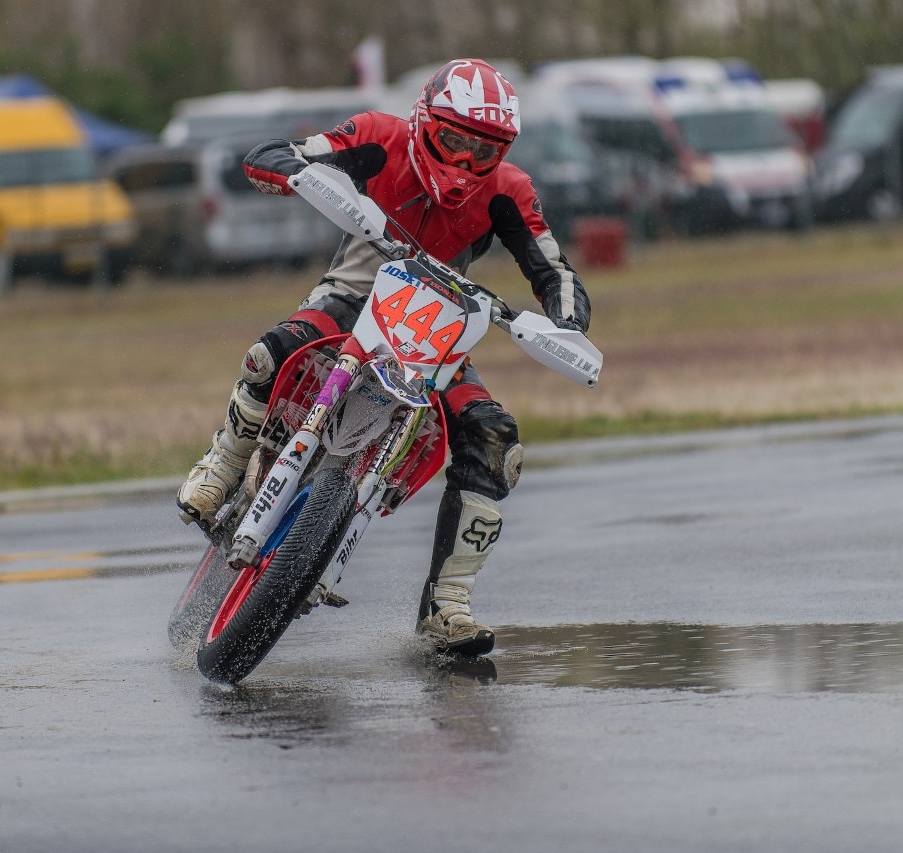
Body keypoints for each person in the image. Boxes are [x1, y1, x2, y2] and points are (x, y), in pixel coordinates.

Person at [175, 58, 591, 656]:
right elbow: (280, 151)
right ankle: (220, 466)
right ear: (426, 121)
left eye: (486, 150)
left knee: (495, 438)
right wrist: (291, 172)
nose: (468, 163)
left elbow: (554, 269)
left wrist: (567, 323)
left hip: (439, 330)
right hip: (351, 299)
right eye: (456, 142)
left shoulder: (510, 191)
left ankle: (447, 604)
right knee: (270, 355)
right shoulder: (378, 137)